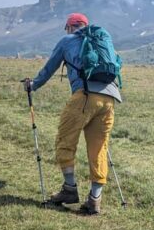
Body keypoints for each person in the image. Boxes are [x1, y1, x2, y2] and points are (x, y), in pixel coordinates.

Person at [23, 13, 122, 215]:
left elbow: (49, 68)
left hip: (85, 96)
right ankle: (95, 199)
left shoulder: (67, 40)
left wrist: (33, 85)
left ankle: (69, 189)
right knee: (99, 148)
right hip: (110, 99)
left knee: (65, 139)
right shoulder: (100, 40)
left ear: (70, 27)